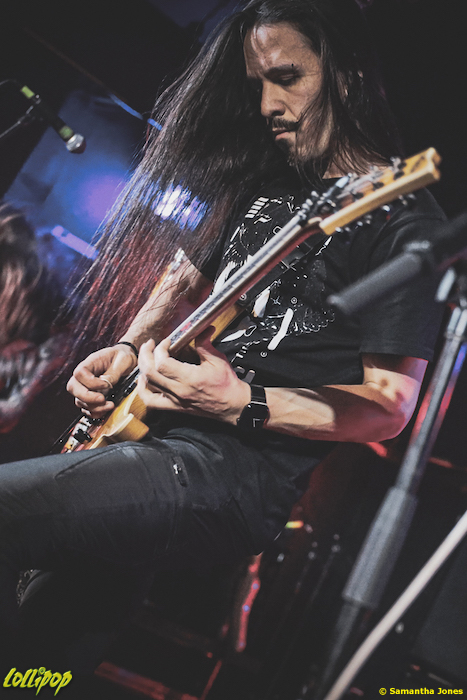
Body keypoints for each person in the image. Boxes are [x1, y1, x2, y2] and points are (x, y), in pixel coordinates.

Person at [0, 0, 445, 691]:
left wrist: (242, 402)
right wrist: (128, 348)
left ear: (347, 74)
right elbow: (184, 278)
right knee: (43, 651)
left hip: (226, 477)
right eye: (257, 83)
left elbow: (389, 406)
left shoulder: (401, 218)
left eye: (286, 78)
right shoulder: (268, 182)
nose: (267, 104)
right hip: (141, 440)